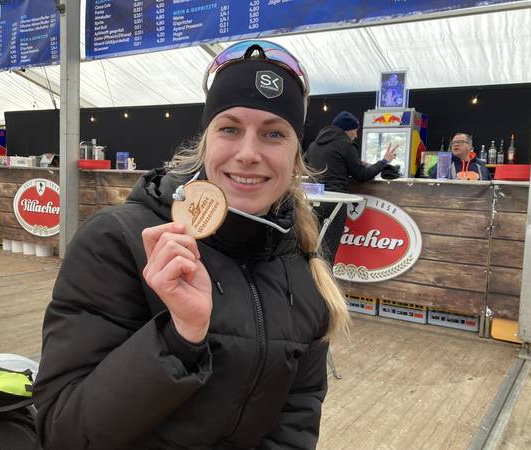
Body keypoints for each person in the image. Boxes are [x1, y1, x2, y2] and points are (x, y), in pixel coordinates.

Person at [33, 40, 350, 450]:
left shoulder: (303, 268)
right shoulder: (117, 240)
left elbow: (295, 422)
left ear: (296, 157)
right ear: (206, 143)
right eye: (230, 129)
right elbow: (63, 431)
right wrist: (179, 338)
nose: (249, 153)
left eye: (274, 134)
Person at [305, 110, 397, 262]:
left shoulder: (314, 145)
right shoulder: (346, 144)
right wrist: (384, 161)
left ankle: (309, 283)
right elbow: (362, 176)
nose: (356, 135)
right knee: (327, 255)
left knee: (311, 250)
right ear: (347, 129)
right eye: (355, 130)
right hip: (335, 202)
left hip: (313, 202)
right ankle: (323, 285)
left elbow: (315, 164)